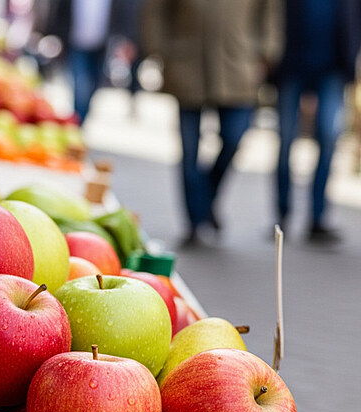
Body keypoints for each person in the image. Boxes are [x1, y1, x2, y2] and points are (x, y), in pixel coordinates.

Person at [141, 0, 283, 244]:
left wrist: (266, 51)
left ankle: (205, 200)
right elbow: (155, 10)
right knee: (189, 151)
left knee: (234, 137)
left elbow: (270, 11)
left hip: (238, 64)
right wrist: (159, 49)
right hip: (187, 63)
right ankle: (194, 221)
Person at [272, 0, 361, 245]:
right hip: (291, 66)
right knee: (286, 140)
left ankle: (318, 217)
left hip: (333, 68)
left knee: (328, 137)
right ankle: (282, 215)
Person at [42, 0, 142, 124]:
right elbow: (60, 12)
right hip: (76, 44)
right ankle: (77, 122)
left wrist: (126, 40)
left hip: (102, 46)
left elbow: (124, 14)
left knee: (93, 84)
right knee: (81, 86)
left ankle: (80, 119)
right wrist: (54, 36)